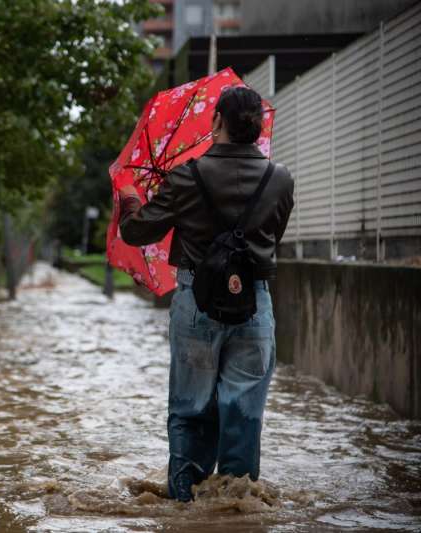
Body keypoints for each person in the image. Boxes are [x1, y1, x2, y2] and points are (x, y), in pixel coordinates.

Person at [118, 86, 294, 502]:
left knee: (191, 410)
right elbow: (272, 238)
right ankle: (235, 507)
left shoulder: (185, 177)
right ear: (258, 126)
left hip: (195, 303)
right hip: (254, 303)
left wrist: (130, 201)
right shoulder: (281, 179)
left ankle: (184, 506)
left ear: (217, 122)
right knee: (245, 414)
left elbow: (136, 231)